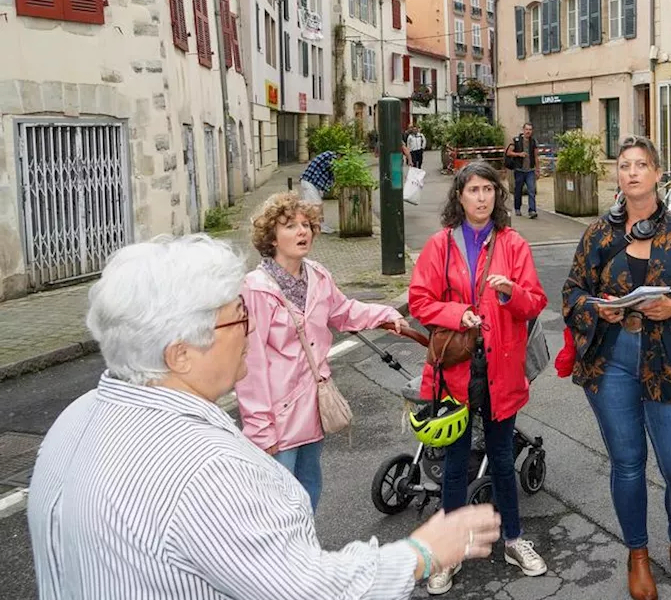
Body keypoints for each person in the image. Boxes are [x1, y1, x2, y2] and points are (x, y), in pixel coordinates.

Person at [27, 234, 502, 600]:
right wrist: (420, 553)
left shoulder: (76, 418)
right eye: (239, 319)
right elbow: (307, 589)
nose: (250, 331)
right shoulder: (209, 472)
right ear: (181, 354)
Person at [562, 136, 671, 600]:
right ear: (618, 175)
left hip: (666, 364)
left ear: (656, 174)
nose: (631, 172)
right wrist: (598, 310)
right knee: (628, 464)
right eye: (624, 165)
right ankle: (637, 553)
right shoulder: (598, 235)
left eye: (641, 165)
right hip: (612, 362)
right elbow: (572, 294)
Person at [409, 161, 549, 595]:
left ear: (497, 196)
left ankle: (513, 539)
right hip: (455, 371)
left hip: (500, 369)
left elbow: (535, 302)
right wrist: (457, 313)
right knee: (453, 464)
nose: (482, 197)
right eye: (473, 189)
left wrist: (510, 293)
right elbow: (419, 301)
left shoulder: (513, 244)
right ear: (460, 196)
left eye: (489, 189)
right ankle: (447, 553)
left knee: (503, 459)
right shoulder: (440, 245)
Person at [236, 192, 408, 510]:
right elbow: (251, 362)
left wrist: (385, 314)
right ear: (271, 237)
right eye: (290, 226)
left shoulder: (317, 275)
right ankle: (279, 559)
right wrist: (259, 425)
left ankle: (304, 553)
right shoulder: (256, 289)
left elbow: (343, 311)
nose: (303, 232)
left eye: (307, 225)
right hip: (277, 413)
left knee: (309, 488)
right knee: (276, 500)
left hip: (313, 405)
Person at [300, 148, 340, 233]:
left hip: (311, 183)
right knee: (317, 205)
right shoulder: (330, 156)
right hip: (309, 182)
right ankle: (319, 226)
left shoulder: (329, 156)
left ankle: (314, 225)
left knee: (311, 205)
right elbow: (333, 170)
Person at [506, 122, 539, 219]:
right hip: (519, 170)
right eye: (527, 129)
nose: (528, 131)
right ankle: (517, 208)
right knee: (518, 190)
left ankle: (532, 210)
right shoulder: (516, 141)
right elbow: (508, 152)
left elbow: (536, 156)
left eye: (530, 130)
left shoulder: (533, 142)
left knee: (531, 190)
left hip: (530, 170)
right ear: (523, 130)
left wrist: (537, 169)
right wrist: (519, 154)